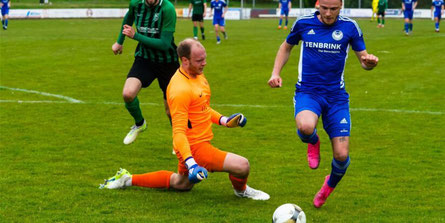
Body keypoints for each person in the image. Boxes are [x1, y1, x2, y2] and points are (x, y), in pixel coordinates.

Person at [100, 38, 270, 201]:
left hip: (194, 145)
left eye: (204, 59)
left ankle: (127, 179)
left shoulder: (197, 75)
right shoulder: (180, 90)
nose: (204, 63)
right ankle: (241, 191)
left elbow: (202, 108)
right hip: (195, 147)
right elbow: (178, 132)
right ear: (185, 60)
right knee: (242, 166)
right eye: (199, 60)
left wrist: (225, 120)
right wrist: (191, 163)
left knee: (181, 184)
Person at [268, 0, 378, 208]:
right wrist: (275, 73)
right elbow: (286, 47)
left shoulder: (350, 27)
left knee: (342, 154)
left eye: (333, 9)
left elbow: (364, 61)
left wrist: (369, 63)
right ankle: (313, 141)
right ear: (318, 4)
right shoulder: (303, 23)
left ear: (341, 6)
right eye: (324, 8)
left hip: (336, 97)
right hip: (308, 92)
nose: (328, 13)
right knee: (306, 126)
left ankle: (327, 187)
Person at [112, 0, 179, 145]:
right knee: (128, 94)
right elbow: (128, 18)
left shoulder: (167, 9)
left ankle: (179, 140)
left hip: (167, 62)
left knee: (171, 111)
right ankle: (140, 124)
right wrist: (119, 41)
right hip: (144, 58)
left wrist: (135, 36)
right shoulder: (136, 4)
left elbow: (165, 44)